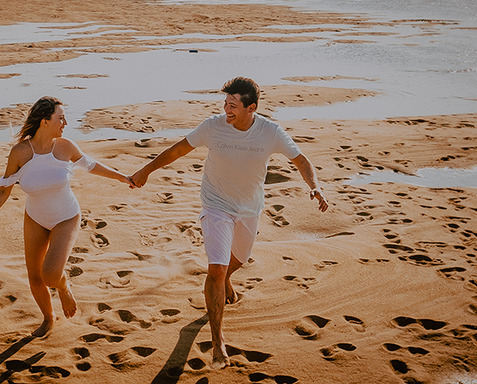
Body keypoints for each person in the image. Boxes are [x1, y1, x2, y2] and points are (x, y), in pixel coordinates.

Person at [129, 77, 329, 369]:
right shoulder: (213, 127)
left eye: (233, 106)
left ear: (252, 107)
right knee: (217, 269)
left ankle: (224, 281)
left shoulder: (270, 132)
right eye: (225, 104)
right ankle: (217, 339)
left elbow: (301, 161)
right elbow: (177, 150)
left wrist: (315, 186)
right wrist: (146, 169)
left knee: (239, 259)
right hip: (216, 205)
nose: (227, 110)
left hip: (249, 208)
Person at [0, 96, 133, 337]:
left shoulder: (65, 147)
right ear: (44, 121)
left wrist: (123, 177)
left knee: (51, 274)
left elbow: (92, 165)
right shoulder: (20, 153)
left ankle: (64, 287)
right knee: (34, 276)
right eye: (60, 118)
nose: (65, 122)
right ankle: (48, 318)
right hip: (35, 218)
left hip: (66, 217)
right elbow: (3, 191)